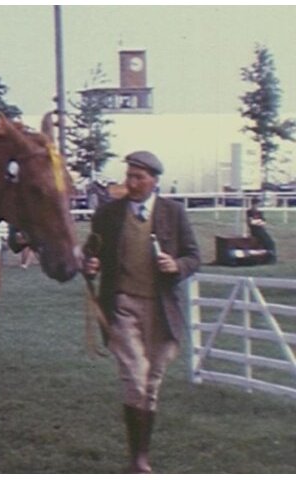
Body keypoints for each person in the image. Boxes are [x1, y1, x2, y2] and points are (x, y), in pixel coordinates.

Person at [83, 151, 201, 473]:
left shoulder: (173, 213)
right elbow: (90, 252)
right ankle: (138, 460)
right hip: (122, 306)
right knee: (135, 377)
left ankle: (140, 458)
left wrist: (177, 265)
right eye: (129, 176)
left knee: (151, 384)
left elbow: (194, 257)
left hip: (162, 310)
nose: (131, 183)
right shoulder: (108, 214)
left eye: (139, 177)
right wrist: (90, 264)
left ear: (154, 181)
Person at [246, 197, 277, 263]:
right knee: (267, 242)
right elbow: (251, 222)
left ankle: (271, 257)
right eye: (256, 204)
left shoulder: (259, 212)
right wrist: (258, 221)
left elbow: (263, 222)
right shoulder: (249, 212)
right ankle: (269, 257)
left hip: (261, 230)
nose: (257, 205)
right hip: (255, 231)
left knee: (270, 242)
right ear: (253, 204)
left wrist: (257, 222)